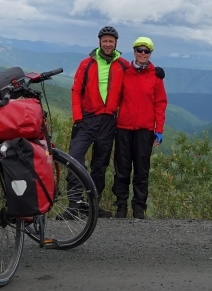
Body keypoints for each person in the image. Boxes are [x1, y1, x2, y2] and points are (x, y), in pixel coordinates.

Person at [61, 26, 128, 220]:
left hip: (108, 121)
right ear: (99, 42)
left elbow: (138, 79)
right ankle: (74, 204)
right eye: (105, 41)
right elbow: (76, 91)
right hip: (87, 119)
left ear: (116, 43)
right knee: (74, 158)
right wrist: (78, 118)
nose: (108, 44)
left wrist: (156, 73)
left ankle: (93, 206)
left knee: (100, 165)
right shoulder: (87, 63)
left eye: (111, 41)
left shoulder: (123, 65)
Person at [113, 36, 167, 219]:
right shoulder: (125, 71)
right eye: (139, 50)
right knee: (122, 169)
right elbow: (116, 96)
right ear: (134, 52)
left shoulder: (156, 76)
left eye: (146, 51)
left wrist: (159, 129)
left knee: (142, 170)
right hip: (123, 127)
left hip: (145, 129)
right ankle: (120, 206)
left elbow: (160, 103)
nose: (143, 53)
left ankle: (138, 208)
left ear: (151, 53)